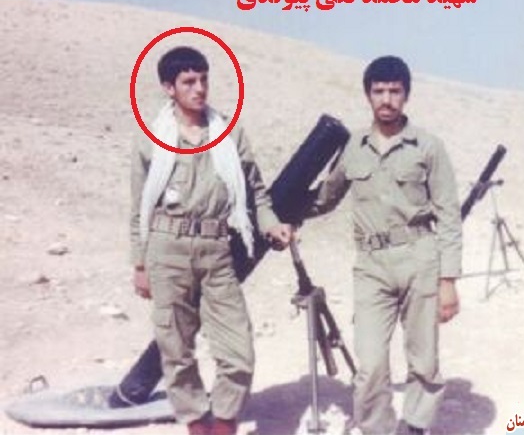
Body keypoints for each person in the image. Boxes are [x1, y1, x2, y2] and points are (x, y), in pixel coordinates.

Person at [130, 46, 292, 435]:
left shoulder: (230, 133)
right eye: (188, 81)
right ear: (169, 87)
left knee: (239, 353)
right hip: (167, 249)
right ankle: (197, 427)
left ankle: (223, 425)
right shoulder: (151, 137)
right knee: (176, 351)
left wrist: (272, 225)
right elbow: (138, 207)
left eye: (203, 79)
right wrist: (140, 263)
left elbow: (256, 194)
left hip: (217, 250)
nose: (199, 89)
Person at [311, 56, 462, 435]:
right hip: (371, 265)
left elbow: (449, 217)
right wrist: (283, 217)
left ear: (406, 95)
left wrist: (448, 280)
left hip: (419, 258)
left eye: (395, 91)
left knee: (423, 360)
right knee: (371, 363)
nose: (387, 99)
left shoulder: (428, 147)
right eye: (379, 91)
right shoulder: (353, 147)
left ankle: (415, 426)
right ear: (368, 95)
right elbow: (326, 198)